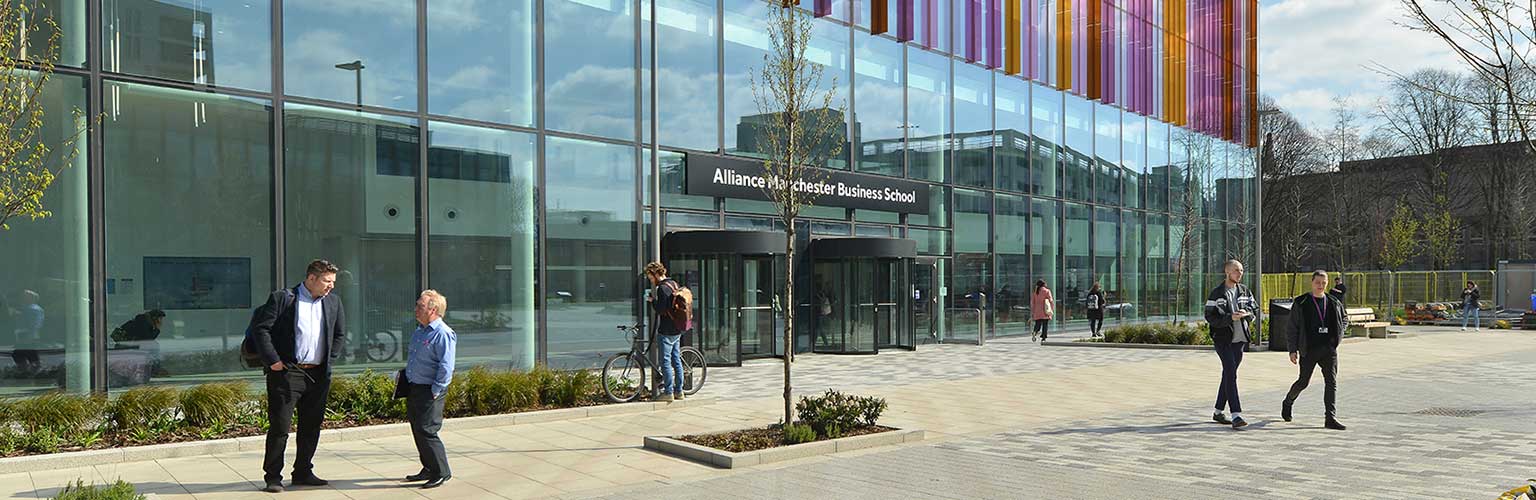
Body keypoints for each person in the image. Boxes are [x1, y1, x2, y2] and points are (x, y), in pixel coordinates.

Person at [249, 260, 346, 493]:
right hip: (287, 372)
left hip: (318, 374)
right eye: (327, 281)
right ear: (311, 278)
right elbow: (261, 329)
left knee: (311, 426)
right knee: (280, 426)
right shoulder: (284, 298)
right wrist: (273, 361)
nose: (331, 286)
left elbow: (339, 334)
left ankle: (303, 471)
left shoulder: (333, 302)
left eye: (333, 282)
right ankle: (273, 476)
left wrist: (329, 358)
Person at [1282, 270, 1348, 431]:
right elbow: (1292, 328)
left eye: (1323, 283)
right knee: (1303, 382)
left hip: (1329, 348)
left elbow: (1344, 318)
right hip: (1309, 349)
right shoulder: (1302, 302)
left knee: (1331, 382)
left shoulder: (1333, 301)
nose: (1320, 286)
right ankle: (1288, 401)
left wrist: (1339, 334)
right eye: (1317, 282)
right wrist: (1292, 350)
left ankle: (1330, 417)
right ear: (1312, 283)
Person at [403, 290, 456, 489]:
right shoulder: (420, 330)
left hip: (430, 390)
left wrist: (437, 389)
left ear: (433, 309)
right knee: (418, 429)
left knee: (428, 430)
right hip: (415, 388)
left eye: (420, 306)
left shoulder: (443, 333)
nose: (416, 309)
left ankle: (441, 472)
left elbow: (446, 366)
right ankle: (428, 468)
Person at [1204, 260, 1258, 429]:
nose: (1240, 273)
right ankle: (1236, 414)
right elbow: (1210, 316)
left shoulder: (1244, 291)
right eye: (1236, 270)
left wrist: (1246, 313)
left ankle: (1218, 411)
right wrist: (1230, 318)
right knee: (1230, 373)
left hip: (1239, 340)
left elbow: (1255, 309)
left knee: (1229, 374)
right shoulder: (1217, 293)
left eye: (1241, 270)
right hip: (1223, 340)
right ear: (1227, 271)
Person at [643, 262, 687, 402]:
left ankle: (668, 392)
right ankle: (679, 391)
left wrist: (652, 301)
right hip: (677, 328)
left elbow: (661, 310)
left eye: (651, 277)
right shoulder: (673, 283)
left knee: (665, 362)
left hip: (666, 330)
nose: (651, 280)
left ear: (656, 274)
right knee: (676, 360)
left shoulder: (662, 288)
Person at [11, 290, 43, 372]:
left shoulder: (33, 309)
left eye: (25, 296)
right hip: (26, 335)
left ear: (32, 298)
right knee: (28, 354)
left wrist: (29, 334)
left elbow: (34, 323)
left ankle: (29, 370)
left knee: (21, 353)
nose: (22, 298)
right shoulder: (29, 308)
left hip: (28, 335)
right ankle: (30, 370)